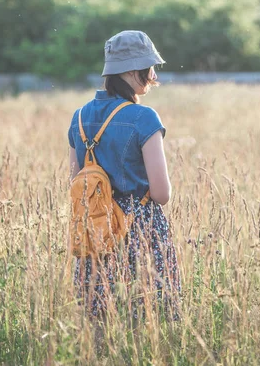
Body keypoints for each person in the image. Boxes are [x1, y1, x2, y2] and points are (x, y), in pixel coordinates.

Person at [68, 30, 180, 320]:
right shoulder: (144, 118)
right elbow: (161, 194)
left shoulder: (79, 116)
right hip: (139, 231)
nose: (153, 74)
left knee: (101, 323)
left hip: (95, 229)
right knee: (149, 321)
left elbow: (75, 181)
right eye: (150, 67)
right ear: (133, 71)